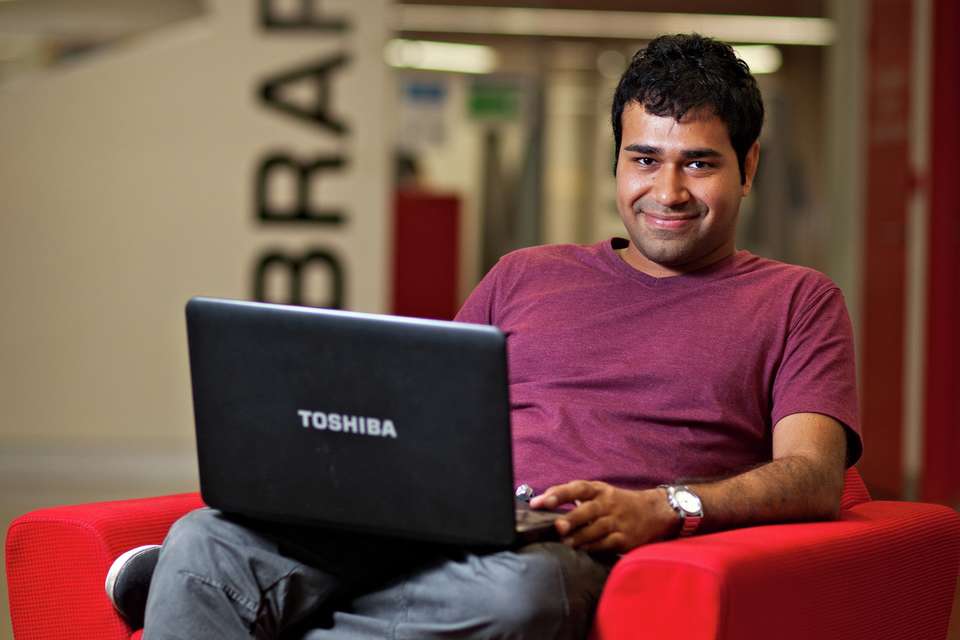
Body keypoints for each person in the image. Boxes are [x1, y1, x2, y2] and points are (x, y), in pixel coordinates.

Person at [109, 33, 861, 639]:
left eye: (699, 164)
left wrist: (664, 507)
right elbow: (418, 420)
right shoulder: (525, 274)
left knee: (517, 597)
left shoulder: (797, 301)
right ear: (616, 162)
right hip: (443, 519)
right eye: (644, 160)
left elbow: (813, 477)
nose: (666, 193)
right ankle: (212, 589)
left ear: (748, 165)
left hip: (571, 544)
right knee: (206, 538)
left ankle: (234, 611)